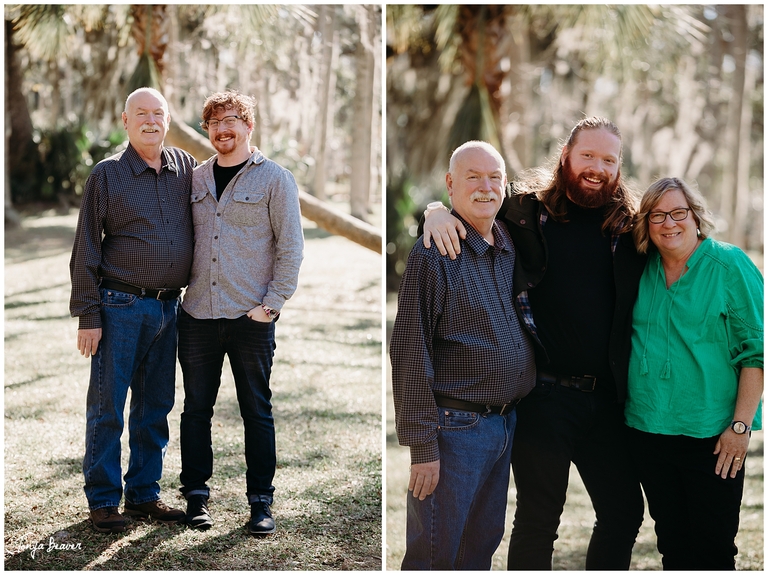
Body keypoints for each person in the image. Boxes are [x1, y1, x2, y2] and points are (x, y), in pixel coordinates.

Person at [422, 117, 646, 569]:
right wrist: (435, 210)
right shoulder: (525, 212)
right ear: (566, 155)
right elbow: (473, 203)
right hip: (544, 396)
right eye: (588, 156)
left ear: (619, 168)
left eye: (609, 160)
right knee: (539, 518)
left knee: (623, 513)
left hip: (606, 399)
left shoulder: (631, 227)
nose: (596, 168)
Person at [391, 141, 538, 569]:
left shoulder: (509, 242)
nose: (485, 187)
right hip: (455, 430)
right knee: (436, 551)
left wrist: (434, 208)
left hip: (504, 424)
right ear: (451, 184)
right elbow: (408, 350)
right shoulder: (433, 254)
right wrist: (422, 446)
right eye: (473, 177)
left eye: (494, 177)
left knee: (481, 546)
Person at [177, 90, 304, 535]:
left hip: (251, 316)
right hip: (197, 314)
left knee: (257, 410)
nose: (222, 129)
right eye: (214, 123)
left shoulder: (275, 179)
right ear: (207, 130)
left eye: (231, 120)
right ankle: (195, 497)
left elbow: (290, 246)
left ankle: (260, 503)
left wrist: (272, 305)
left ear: (249, 126)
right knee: (195, 410)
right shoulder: (193, 179)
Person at [69, 87, 193, 533]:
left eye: (158, 113)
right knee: (108, 407)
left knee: (155, 405)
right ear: (125, 121)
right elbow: (85, 247)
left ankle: (144, 495)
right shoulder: (107, 174)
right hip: (118, 305)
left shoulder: (185, 168)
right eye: (141, 113)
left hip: (168, 309)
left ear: (168, 119)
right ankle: (103, 502)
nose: (150, 120)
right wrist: (88, 315)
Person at [625, 177, 763, 570]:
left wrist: (740, 428)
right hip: (648, 432)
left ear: (696, 216)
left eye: (678, 212)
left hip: (712, 439)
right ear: (646, 224)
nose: (669, 223)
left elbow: (756, 354)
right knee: (672, 545)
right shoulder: (640, 269)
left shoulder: (729, 264)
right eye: (657, 215)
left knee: (714, 550)